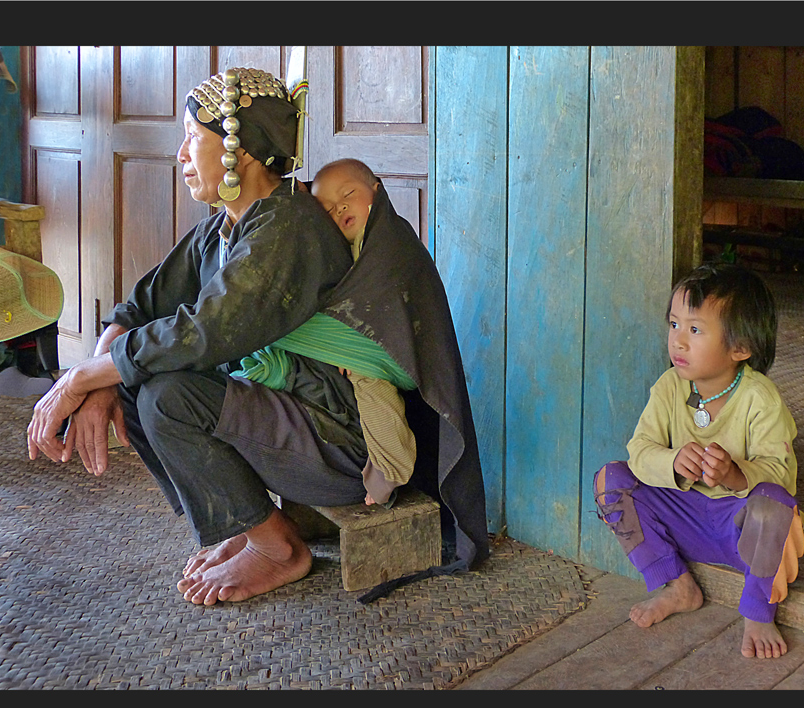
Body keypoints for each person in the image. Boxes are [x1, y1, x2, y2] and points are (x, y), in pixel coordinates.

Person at [27, 67, 488, 606]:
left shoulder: (287, 227)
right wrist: (99, 383)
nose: (180, 154)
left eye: (193, 138)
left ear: (238, 152)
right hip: (288, 422)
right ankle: (253, 529)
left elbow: (205, 332)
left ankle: (278, 550)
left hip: (341, 443)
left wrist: (83, 374)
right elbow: (142, 305)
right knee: (133, 377)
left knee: (165, 394)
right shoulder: (222, 228)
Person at [593, 262, 804, 659]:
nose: (678, 341)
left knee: (777, 507)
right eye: (674, 324)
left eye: (694, 330)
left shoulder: (761, 399)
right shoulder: (669, 387)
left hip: (738, 531)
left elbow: (780, 474)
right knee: (611, 480)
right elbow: (639, 451)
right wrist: (671, 461)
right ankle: (677, 585)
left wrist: (734, 472)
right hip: (684, 519)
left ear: (740, 348)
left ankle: (760, 611)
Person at [235, 158, 417, 507]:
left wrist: (356, 346)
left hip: (393, 350)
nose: (341, 208)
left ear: (377, 192)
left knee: (370, 385)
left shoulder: (389, 238)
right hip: (358, 346)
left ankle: (392, 465)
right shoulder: (340, 250)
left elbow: (392, 299)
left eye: (349, 194)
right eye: (329, 209)